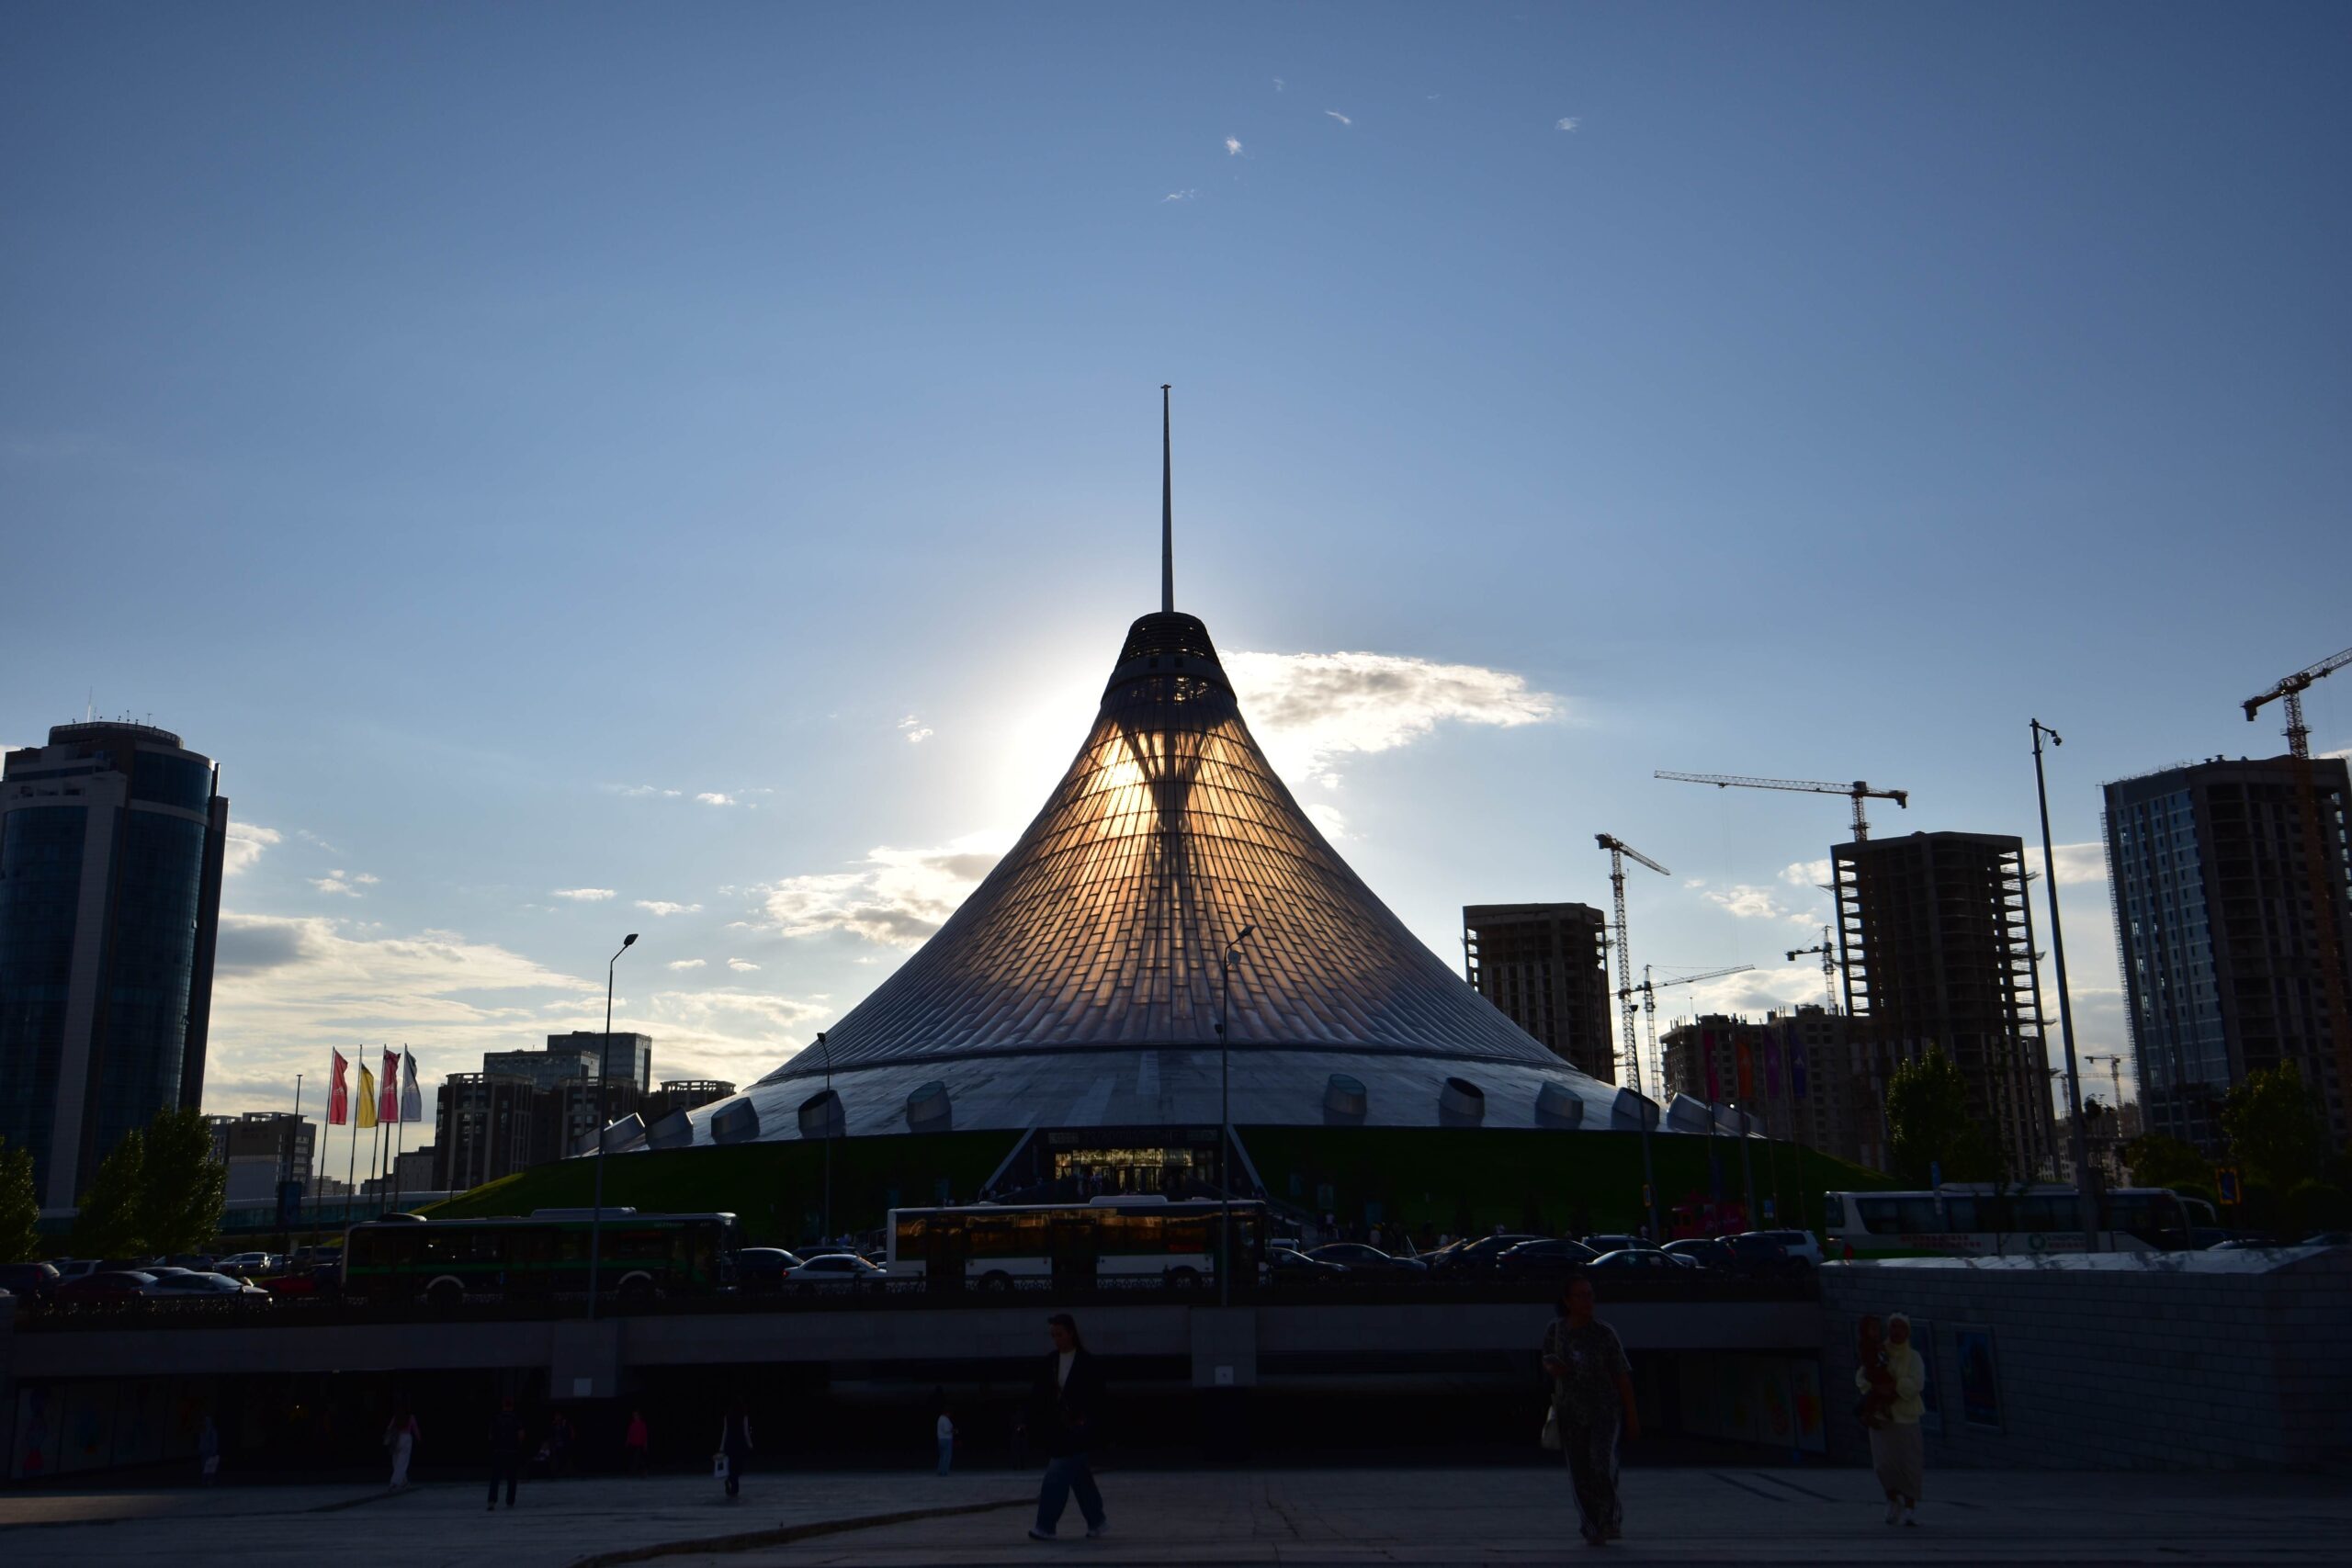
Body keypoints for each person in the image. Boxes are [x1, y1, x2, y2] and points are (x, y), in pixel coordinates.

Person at [1542, 1275, 1639, 1548]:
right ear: (1567, 1301)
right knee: (1581, 1472)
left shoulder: (1604, 1333)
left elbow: (1622, 1375)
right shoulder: (1556, 1330)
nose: (1588, 1301)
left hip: (1604, 1411)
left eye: (1590, 1295)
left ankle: (1609, 1518)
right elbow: (1547, 1359)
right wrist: (1554, 1368)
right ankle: (1592, 1525)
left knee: (1601, 1464)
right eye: (1581, 1295)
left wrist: (1632, 1415)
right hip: (1571, 1413)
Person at [1027, 1313, 1107, 1541]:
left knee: (1056, 1474)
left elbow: (1098, 1397)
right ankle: (1097, 1521)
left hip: (1078, 1430)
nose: (1056, 1339)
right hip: (1058, 1429)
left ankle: (1045, 1525)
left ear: (1071, 1333)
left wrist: (1089, 1420)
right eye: (1053, 1335)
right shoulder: (1050, 1362)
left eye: (1059, 1334)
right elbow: (1040, 1396)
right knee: (1079, 1477)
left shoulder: (1087, 1363)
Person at [1860, 1314, 1927, 1526]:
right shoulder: (1880, 1350)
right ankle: (1891, 1500)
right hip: (1882, 1417)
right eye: (1893, 1327)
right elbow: (1862, 1375)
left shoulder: (1913, 1357)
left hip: (1906, 1418)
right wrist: (1876, 1388)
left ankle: (1909, 1506)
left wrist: (1895, 1387)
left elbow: (1916, 1382)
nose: (1896, 1332)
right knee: (1883, 1465)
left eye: (1901, 1328)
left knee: (1909, 1465)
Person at [487, 1395, 524, 1510]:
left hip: (498, 1451)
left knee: (495, 1478)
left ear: (503, 1405)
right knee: (512, 1478)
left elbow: (490, 1435)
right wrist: (518, 1445)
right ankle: (510, 1502)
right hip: (512, 1451)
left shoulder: (497, 1418)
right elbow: (521, 1434)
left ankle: (492, 1501)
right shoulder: (516, 1418)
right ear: (512, 1405)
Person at [718, 1399, 753, 1500]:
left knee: (732, 1467)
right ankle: (733, 1489)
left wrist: (721, 1447)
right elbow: (746, 1432)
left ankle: (731, 1484)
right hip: (740, 1444)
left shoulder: (727, 1417)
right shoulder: (744, 1416)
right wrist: (750, 1444)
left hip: (729, 1443)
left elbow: (725, 1432)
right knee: (738, 1468)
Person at [384, 1403, 421, 1490]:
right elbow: (415, 1429)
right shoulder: (411, 1417)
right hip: (406, 1438)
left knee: (396, 1461)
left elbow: (389, 1428)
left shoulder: (396, 1417)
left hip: (396, 1438)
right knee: (402, 1461)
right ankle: (395, 1482)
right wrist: (419, 1438)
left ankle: (404, 1481)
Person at [625, 1410, 650, 1476]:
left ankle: (643, 1471)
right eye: (634, 1415)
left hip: (640, 1444)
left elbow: (645, 1434)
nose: (634, 1416)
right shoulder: (632, 1424)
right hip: (633, 1444)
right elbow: (629, 1434)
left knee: (638, 1458)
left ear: (639, 1416)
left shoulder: (642, 1424)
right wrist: (627, 1442)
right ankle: (640, 1471)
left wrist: (645, 1444)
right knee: (635, 1458)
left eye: (636, 1415)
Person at [198, 1415, 220, 1485]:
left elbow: (214, 1441)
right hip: (204, 1451)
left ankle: (209, 1481)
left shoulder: (212, 1431)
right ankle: (205, 1481)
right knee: (204, 1467)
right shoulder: (203, 1431)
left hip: (210, 1451)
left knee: (210, 1467)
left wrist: (214, 1451)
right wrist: (200, 1448)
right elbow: (201, 1441)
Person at [936, 1406, 956, 1475]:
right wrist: (953, 1431)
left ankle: (940, 1470)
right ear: (947, 1413)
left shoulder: (940, 1419)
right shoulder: (944, 1419)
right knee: (947, 1456)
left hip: (941, 1439)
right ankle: (944, 1471)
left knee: (942, 1456)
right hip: (946, 1439)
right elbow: (946, 1430)